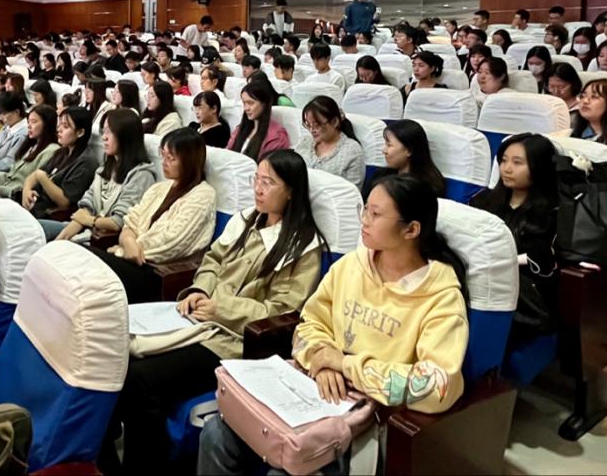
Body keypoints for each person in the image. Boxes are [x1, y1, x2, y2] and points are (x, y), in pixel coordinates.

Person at [198, 174, 469, 476]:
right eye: (364, 209)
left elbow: (434, 386)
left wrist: (344, 364)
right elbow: (309, 323)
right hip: (313, 389)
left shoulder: (440, 297)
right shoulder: (351, 266)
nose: (364, 220)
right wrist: (322, 360)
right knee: (215, 434)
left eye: (375, 214)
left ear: (411, 230)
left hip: (364, 418)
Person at [100, 150, 325, 473]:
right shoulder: (246, 220)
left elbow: (280, 310)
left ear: (291, 191)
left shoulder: (302, 247)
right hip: (199, 317)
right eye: (256, 179)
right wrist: (200, 290)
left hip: (233, 340)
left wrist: (222, 309)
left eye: (268, 183)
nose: (258, 189)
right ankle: (105, 457)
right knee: (114, 354)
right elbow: (213, 260)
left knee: (139, 380)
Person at [94, 127, 216, 302]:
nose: (164, 162)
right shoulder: (159, 188)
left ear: (189, 161)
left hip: (157, 273)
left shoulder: (203, 195)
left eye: (171, 158)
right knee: (78, 256)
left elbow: (171, 243)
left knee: (87, 263)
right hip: (131, 262)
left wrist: (124, 249)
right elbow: (131, 221)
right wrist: (128, 242)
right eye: (163, 155)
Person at [471, 134, 559, 344]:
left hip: (523, 296)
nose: (507, 169)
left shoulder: (553, 212)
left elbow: (543, 260)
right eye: (503, 161)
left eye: (517, 163)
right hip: (478, 280)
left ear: (539, 167)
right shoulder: (483, 200)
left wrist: (501, 261)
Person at [56, 109, 158, 241]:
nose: (104, 137)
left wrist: (90, 221)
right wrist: (63, 237)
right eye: (103, 131)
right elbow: (86, 206)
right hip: (86, 231)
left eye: (109, 132)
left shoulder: (141, 175)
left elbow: (118, 222)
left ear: (126, 136)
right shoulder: (104, 168)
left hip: (104, 241)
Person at [24, 107, 99, 238]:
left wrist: (42, 178)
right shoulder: (62, 151)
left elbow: (64, 202)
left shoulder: (86, 162)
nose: (59, 130)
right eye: (59, 125)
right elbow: (34, 175)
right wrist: (26, 190)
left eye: (65, 126)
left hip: (52, 215)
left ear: (80, 132)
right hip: (35, 206)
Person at [0, 104, 59, 198]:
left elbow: (31, 187)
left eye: (34, 122)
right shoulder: (31, 145)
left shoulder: (51, 150)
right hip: (3, 189)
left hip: (13, 197)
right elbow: (11, 175)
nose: (29, 126)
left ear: (47, 124)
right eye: (28, 122)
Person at [295, 96, 365, 187]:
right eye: (308, 125)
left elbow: (352, 191)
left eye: (317, 125)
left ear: (334, 122)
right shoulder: (304, 142)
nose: (312, 130)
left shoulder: (352, 151)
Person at [376, 120, 447, 198]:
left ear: (409, 150)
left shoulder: (427, 187)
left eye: (389, 145)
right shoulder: (382, 176)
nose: (384, 150)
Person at [227, 81, 290, 161]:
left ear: (264, 104)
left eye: (250, 103)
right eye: (244, 103)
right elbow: (228, 154)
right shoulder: (240, 129)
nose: (246, 108)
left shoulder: (277, 136)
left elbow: (271, 166)